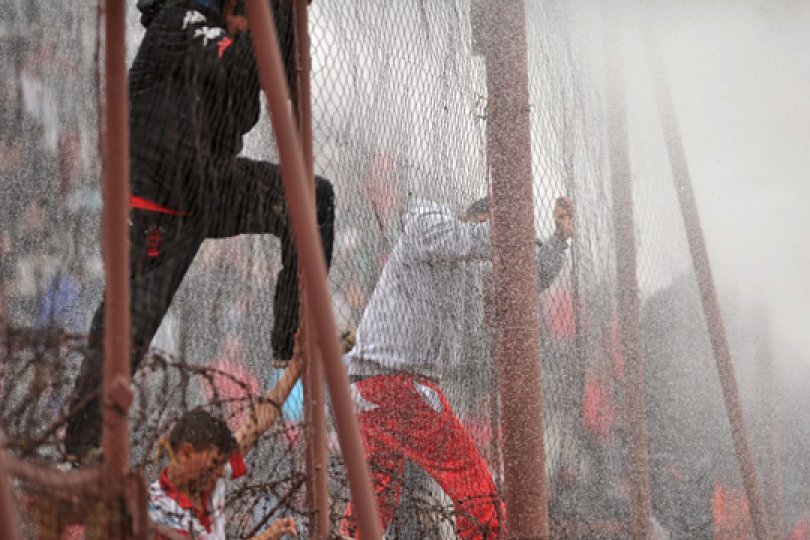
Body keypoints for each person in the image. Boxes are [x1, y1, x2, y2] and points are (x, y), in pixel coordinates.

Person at [64, 0, 336, 461]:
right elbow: (239, 64)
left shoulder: (238, 37)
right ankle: (81, 450)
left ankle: (289, 339)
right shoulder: (181, 18)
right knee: (127, 327)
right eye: (251, 17)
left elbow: (283, 80)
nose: (255, 28)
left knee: (312, 200)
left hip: (208, 187)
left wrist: (289, 19)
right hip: (157, 201)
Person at [340, 195, 575, 539]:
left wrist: (557, 241)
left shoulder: (469, 266)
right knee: (476, 490)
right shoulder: (428, 219)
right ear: (479, 219)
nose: (501, 253)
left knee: (375, 499)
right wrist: (511, 228)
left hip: (373, 387)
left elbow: (523, 279)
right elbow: (468, 238)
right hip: (397, 383)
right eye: (500, 235)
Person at [148, 338, 305, 539]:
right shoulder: (160, 514)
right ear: (186, 453)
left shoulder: (208, 477)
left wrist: (295, 368)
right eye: (215, 463)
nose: (222, 472)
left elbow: (255, 427)